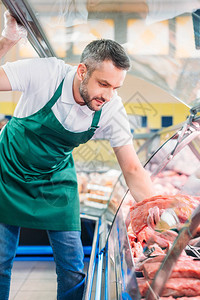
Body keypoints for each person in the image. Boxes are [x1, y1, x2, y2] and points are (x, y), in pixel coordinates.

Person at [0, 11, 155, 300]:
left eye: (116, 87)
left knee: (72, 267)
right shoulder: (47, 73)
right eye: (104, 84)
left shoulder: (111, 107)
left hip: (55, 178)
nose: (108, 95)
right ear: (82, 70)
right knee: (0, 261)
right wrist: (8, 39)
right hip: (6, 172)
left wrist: (154, 208)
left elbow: (133, 168)